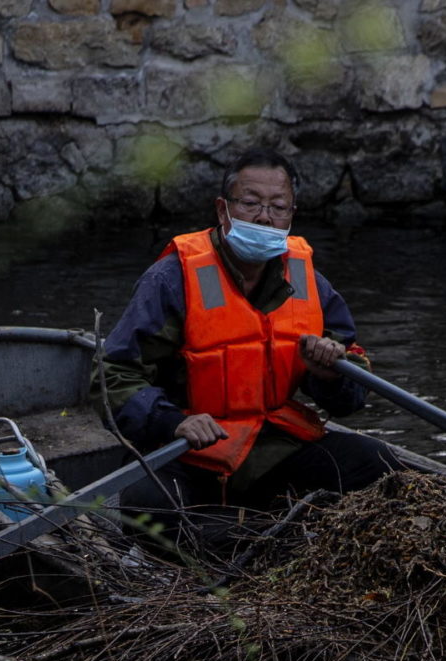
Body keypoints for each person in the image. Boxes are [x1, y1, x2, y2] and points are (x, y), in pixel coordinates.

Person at [100, 148, 406, 510]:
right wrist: (171, 422)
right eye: (250, 203)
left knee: (379, 466)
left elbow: (352, 389)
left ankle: (268, 522)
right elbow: (114, 375)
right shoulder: (172, 279)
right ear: (222, 209)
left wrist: (330, 375)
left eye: (278, 207)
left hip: (271, 444)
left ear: (292, 214)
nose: (264, 218)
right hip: (188, 451)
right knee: (149, 503)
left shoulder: (308, 282)